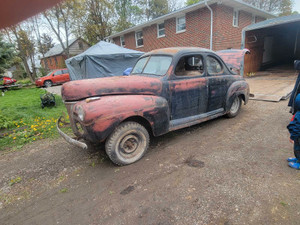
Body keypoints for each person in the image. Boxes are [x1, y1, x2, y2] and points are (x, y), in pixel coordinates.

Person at [287, 94, 300, 169]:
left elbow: (297, 127)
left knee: (298, 148)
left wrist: (293, 137)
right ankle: (298, 158)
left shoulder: (299, 115)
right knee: (297, 148)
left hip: (298, 135)